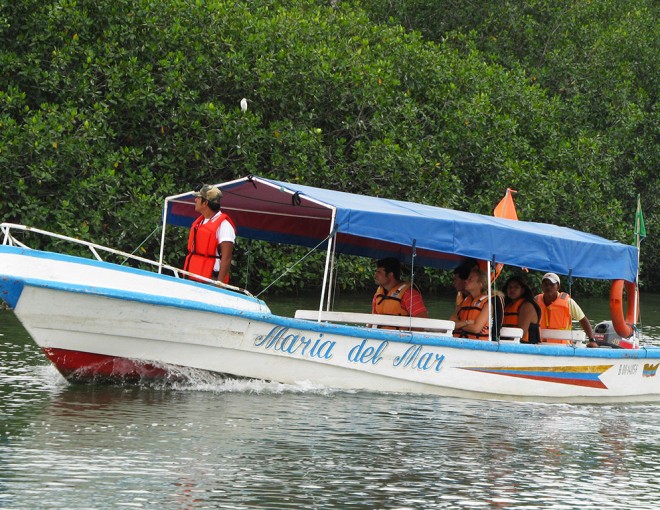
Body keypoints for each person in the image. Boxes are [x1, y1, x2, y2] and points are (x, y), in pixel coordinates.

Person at [184, 184, 236, 284]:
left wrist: (219, 285)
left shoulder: (224, 226)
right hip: (193, 276)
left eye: (198, 198)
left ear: (205, 203)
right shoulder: (200, 222)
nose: (195, 200)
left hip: (211, 280)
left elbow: (227, 257)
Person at [535, 272, 597, 347]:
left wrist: (592, 340)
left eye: (552, 284)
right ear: (542, 286)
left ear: (558, 287)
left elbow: (583, 319)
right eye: (546, 284)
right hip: (540, 345)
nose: (548, 287)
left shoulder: (568, 302)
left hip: (563, 346)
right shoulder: (536, 300)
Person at [450, 266, 493, 340]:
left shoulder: (488, 303)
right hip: (459, 342)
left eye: (470, 279)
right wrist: (467, 322)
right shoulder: (465, 302)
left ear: (480, 283)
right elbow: (451, 323)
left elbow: (476, 328)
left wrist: (459, 324)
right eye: (467, 279)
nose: (466, 281)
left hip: (478, 345)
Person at [502, 275, 541, 343]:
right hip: (507, 343)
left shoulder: (527, 306)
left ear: (523, 290)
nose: (512, 290)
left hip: (526, 346)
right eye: (509, 287)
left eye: (516, 287)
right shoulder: (507, 305)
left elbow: (522, 332)